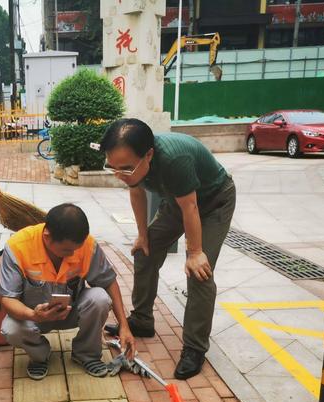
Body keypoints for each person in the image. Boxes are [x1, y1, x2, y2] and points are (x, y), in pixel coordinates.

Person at [100, 119, 236, 380]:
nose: (119, 174)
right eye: (112, 167)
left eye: (126, 168)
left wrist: (195, 252)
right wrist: (142, 235)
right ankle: (142, 319)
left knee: (199, 272)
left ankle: (195, 348)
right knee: (144, 251)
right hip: (179, 201)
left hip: (214, 201)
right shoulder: (133, 162)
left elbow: (192, 208)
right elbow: (136, 192)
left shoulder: (175, 159)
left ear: (149, 155)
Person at [0, 204, 135, 380]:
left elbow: (109, 282)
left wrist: (124, 326)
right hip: (35, 317)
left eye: (75, 249)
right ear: (47, 237)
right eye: (66, 250)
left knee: (100, 298)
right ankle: (40, 356)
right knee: (10, 329)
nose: (72, 254)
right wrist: (34, 315)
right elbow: (8, 299)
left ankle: (86, 354)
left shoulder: (86, 245)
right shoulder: (18, 247)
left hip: (72, 311)